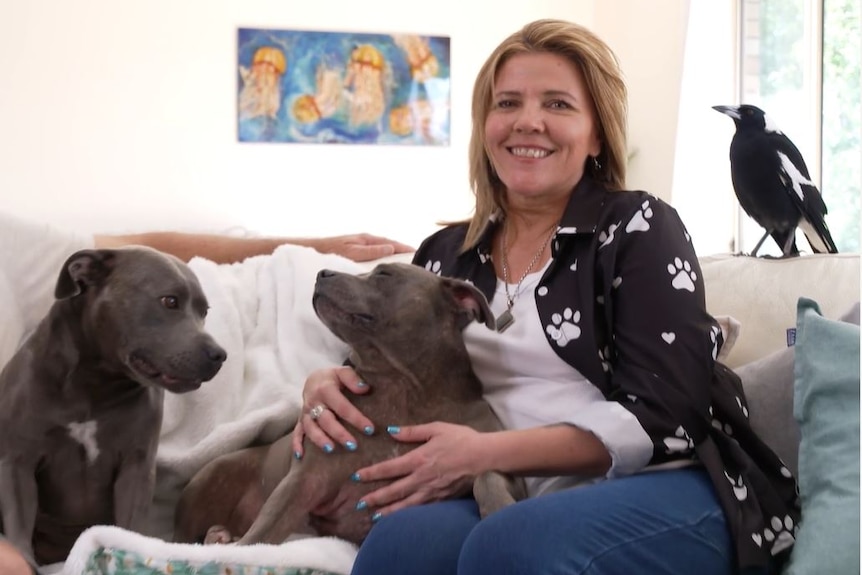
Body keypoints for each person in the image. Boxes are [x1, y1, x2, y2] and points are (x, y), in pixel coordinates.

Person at [287, 19, 800, 575]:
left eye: (557, 104)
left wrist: (483, 453)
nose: (528, 121)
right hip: (505, 489)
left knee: (509, 545)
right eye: (507, 102)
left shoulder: (637, 226)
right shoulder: (444, 255)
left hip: (664, 479)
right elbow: (388, 370)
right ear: (486, 124)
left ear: (597, 133)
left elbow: (668, 413)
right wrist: (322, 386)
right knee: (399, 547)